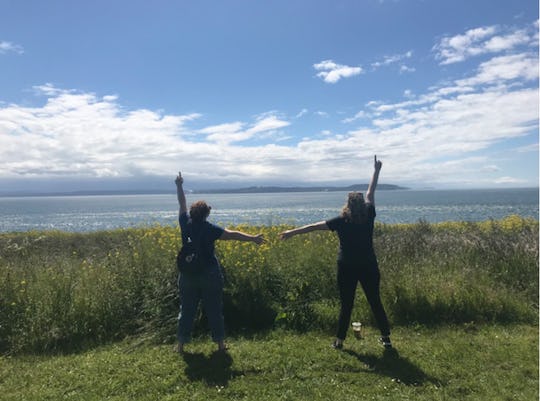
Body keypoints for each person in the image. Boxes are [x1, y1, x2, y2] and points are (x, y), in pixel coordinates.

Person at [280, 156, 392, 349]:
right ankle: (387, 339)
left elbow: (314, 226)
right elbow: (370, 192)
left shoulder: (341, 221)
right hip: (368, 265)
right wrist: (376, 170)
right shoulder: (369, 214)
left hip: (346, 266)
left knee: (346, 304)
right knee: (375, 301)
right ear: (361, 205)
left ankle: (339, 341)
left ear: (347, 205)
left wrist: (292, 232)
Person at [175, 172, 264, 353]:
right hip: (209, 273)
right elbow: (233, 235)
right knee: (214, 308)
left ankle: (181, 345)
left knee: (187, 310)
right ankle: (221, 345)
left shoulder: (185, 222)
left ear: (192, 212)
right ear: (206, 214)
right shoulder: (210, 229)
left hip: (188, 273)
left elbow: (181, 203)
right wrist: (253, 238)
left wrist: (179, 185)